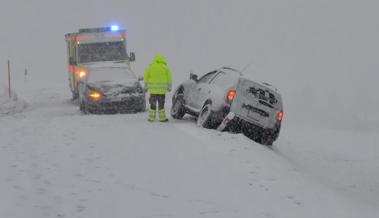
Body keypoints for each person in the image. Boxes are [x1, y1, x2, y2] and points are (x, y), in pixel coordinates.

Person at [144, 54, 173, 122]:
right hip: (161, 92)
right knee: (161, 105)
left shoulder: (150, 67)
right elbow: (169, 79)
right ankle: (162, 118)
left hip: (153, 91)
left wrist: (146, 87)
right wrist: (169, 87)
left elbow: (146, 77)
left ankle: (151, 118)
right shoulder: (165, 68)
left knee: (152, 105)